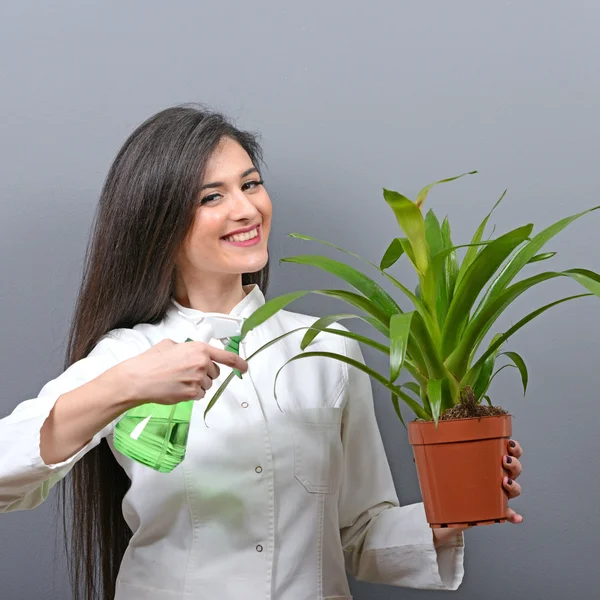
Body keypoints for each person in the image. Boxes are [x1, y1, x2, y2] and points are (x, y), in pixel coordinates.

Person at [0, 105, 524, 600]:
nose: (247, 208)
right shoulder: (128, 354)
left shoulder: (328, 346)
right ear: (158, 223)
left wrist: (455, 509)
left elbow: (359, 532)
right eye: (212, 197)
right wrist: (125, 386)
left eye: (250, 184)